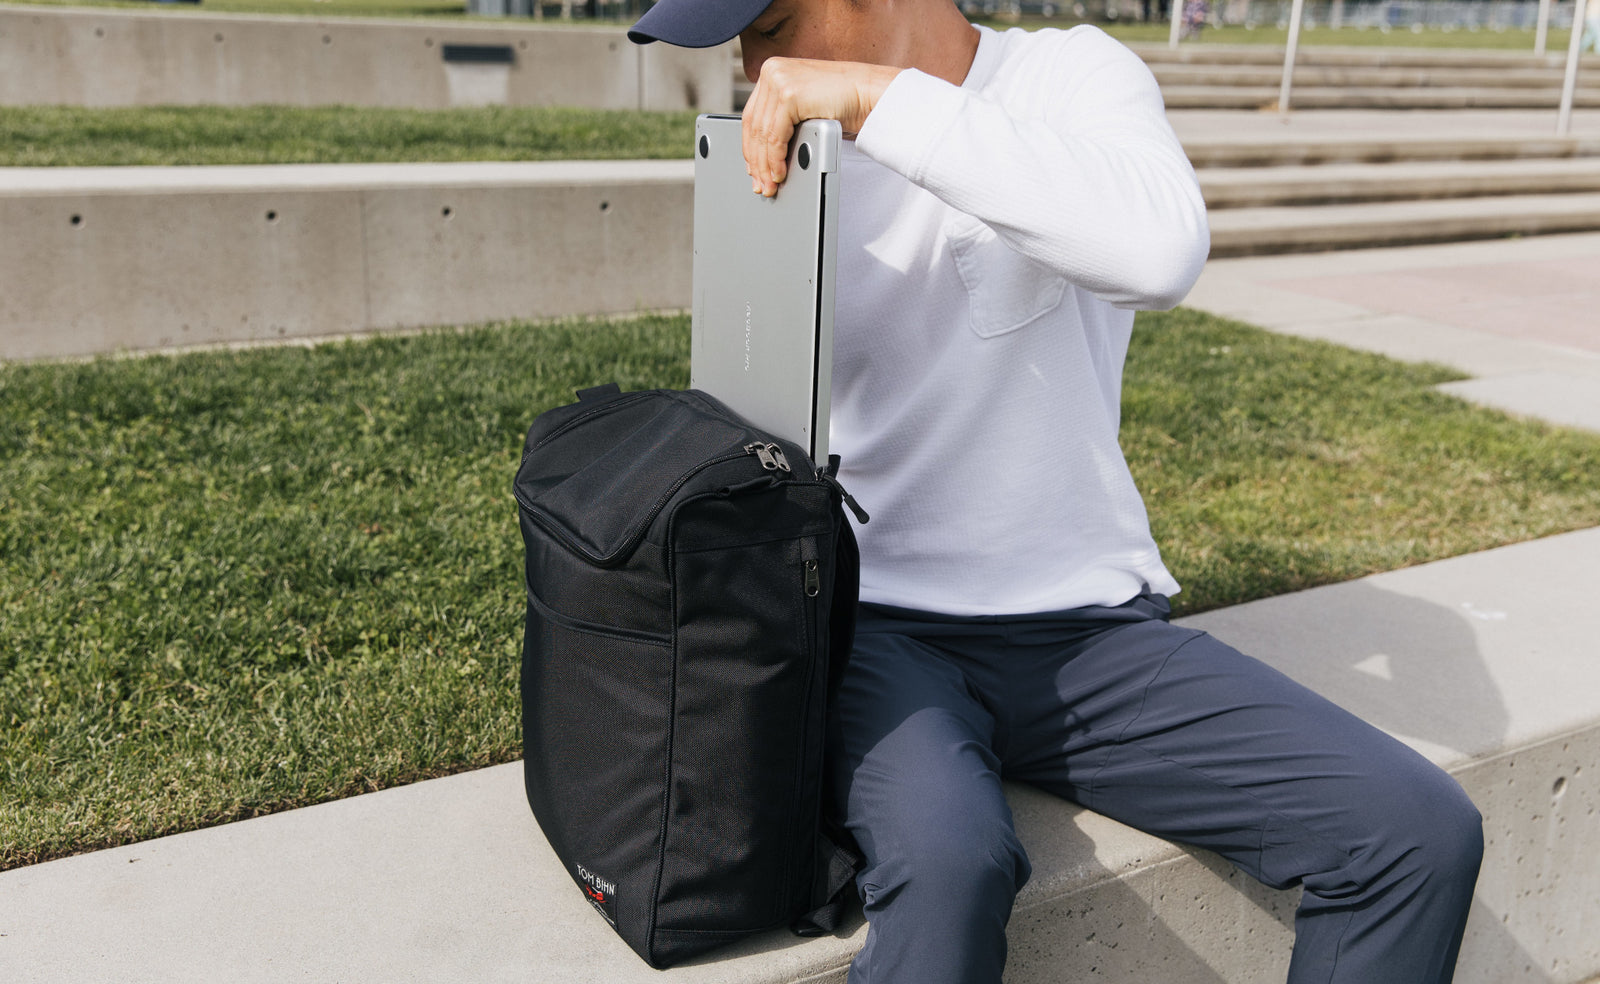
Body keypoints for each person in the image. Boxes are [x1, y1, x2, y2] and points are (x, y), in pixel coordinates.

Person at [629, 2, 1485, 982]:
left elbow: (1159, 256)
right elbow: (754, 408)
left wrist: (881, 102)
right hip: (874, 631)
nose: (751, 66)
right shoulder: (780, 146)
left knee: (1413, 830)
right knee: (953, 861)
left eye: (771, 26)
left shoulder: (1073, 79)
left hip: (1089, 635)